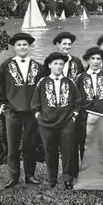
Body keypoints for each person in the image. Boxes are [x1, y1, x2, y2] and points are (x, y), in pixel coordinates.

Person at [0, 32, 44, 189]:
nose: (22, 47)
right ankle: (13, 177)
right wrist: (2, 102)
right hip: (12, 111)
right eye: (19, 45)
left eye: (25, 45)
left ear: (29, 46)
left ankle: (30, 176)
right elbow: (0, 84)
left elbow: (43, 88)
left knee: (30, 144)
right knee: (13, 146)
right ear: (14, 47)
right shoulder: (6, 65)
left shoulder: (38, 66)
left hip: (31, 111)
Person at [31, 52, 81, 189]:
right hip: (46, 123)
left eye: (61, 64)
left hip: (66, 123)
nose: (58, 67)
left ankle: (67, 178)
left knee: (68, 151)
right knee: (50, 150)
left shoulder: (70, 82)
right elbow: (35, 104)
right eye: (56, 64)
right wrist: (39, 117)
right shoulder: (42, 82)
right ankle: (52, 178)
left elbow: (78, 102)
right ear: (50, 65)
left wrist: (74, 117)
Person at [73, 47, 103, 177]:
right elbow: (76, 99)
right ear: (87, 60)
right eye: (93, 59)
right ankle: (86, 170)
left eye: (98, 59)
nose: (96, 61)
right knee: (85, 144)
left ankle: (102, 170)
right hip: (85, 117)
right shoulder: (80, 78)